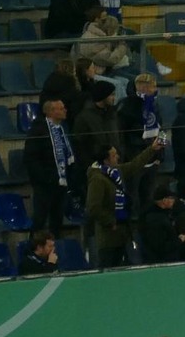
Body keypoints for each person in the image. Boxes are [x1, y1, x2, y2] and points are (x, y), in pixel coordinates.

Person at [86, 136, 164, 267]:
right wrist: (111, 222)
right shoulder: (97, 179)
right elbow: (93, 207)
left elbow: (134, 165)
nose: (118, 157)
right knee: (108, 267)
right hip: (107, 236)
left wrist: (152, 149)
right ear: (106, 160)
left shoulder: (115, 172)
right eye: (114, 155)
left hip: (122, 233)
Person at [26, 97, 76, 235]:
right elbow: (31, 158)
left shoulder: (62, 128)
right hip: (45, 184)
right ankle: (33, 249)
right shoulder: (38, 130)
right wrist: (45, 178)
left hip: (61, 182)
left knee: (57, 220)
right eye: (61, 108)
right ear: (51, 112)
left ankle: (55, 250)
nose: (65, 110)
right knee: (40, 219)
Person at [140, 179, 184, 264]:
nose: (174, 201)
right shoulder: (155, 219)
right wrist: (179, 240)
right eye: (171, 198)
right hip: (161, 262)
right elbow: (159, 247)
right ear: (164, 200)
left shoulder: (162, 213)